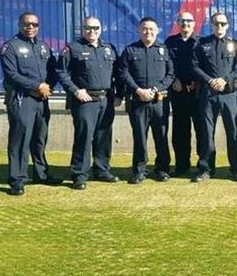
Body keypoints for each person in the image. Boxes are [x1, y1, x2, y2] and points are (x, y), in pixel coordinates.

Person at [56, 16, 123, 190]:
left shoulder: (108, 49)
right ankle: (79, 174)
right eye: (88, 28)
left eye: (95, 28)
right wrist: (76, 91)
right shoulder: (73, 48)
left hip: (106, 99)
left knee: (103, 136)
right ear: (82, 29)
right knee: (84, 137)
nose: (92, 31)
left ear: (101, 29)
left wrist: (119, 94)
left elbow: (119, 73)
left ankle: (101, 170)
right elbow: (61, 73)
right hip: (85, 100)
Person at [0, 12, 61, 195]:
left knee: (40, 138)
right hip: (21, 99)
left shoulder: (43, 47)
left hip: (41, 99)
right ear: (19, 24)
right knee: (20, 139)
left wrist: (47, 87)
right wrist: (36, 86)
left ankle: (41, 174)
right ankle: (17, 179)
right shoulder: (10, 47)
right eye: (27, 24)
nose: (31, 27)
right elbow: (11, 74)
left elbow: (53, 70)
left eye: (34, 24)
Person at [192, 12, 237, 182]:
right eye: (216, 23)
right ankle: (206, 169)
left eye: (223, 23)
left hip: (228, 95)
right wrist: (210, 80)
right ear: (212, 24)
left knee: (233, 132)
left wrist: (225, 79)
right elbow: (194, 66)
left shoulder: (234, 45)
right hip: (207, 95)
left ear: (228, 25)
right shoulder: (201, 44)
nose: (219, 26)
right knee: (207, 133)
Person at [119, 16, 174, 184]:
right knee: (140, 137)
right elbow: (123, 73)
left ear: (157, 31)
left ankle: (162, 169)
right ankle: (139, 171)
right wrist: (138, 90)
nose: (148, 32)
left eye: (151, 29)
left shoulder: (164, 50)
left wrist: (155, 89)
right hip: (137, 101)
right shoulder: (130, 50)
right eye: (144, 29)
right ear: (139, 30)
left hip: (159, 101)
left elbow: (170, 75)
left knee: (161, 136)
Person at [165, 12, 201, 177]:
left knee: (202, 130)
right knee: (180, 131)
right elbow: (167, 65)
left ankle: (204, 165)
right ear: (177, 23)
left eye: (189, 21)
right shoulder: (170, 42)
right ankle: (181, 166)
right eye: (182, 21)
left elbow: (205, 65)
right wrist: (174, 81)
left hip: (198, 94)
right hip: (178, 92)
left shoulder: (200, 42)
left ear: (194, 23)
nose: (186, 24)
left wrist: (198, 81)